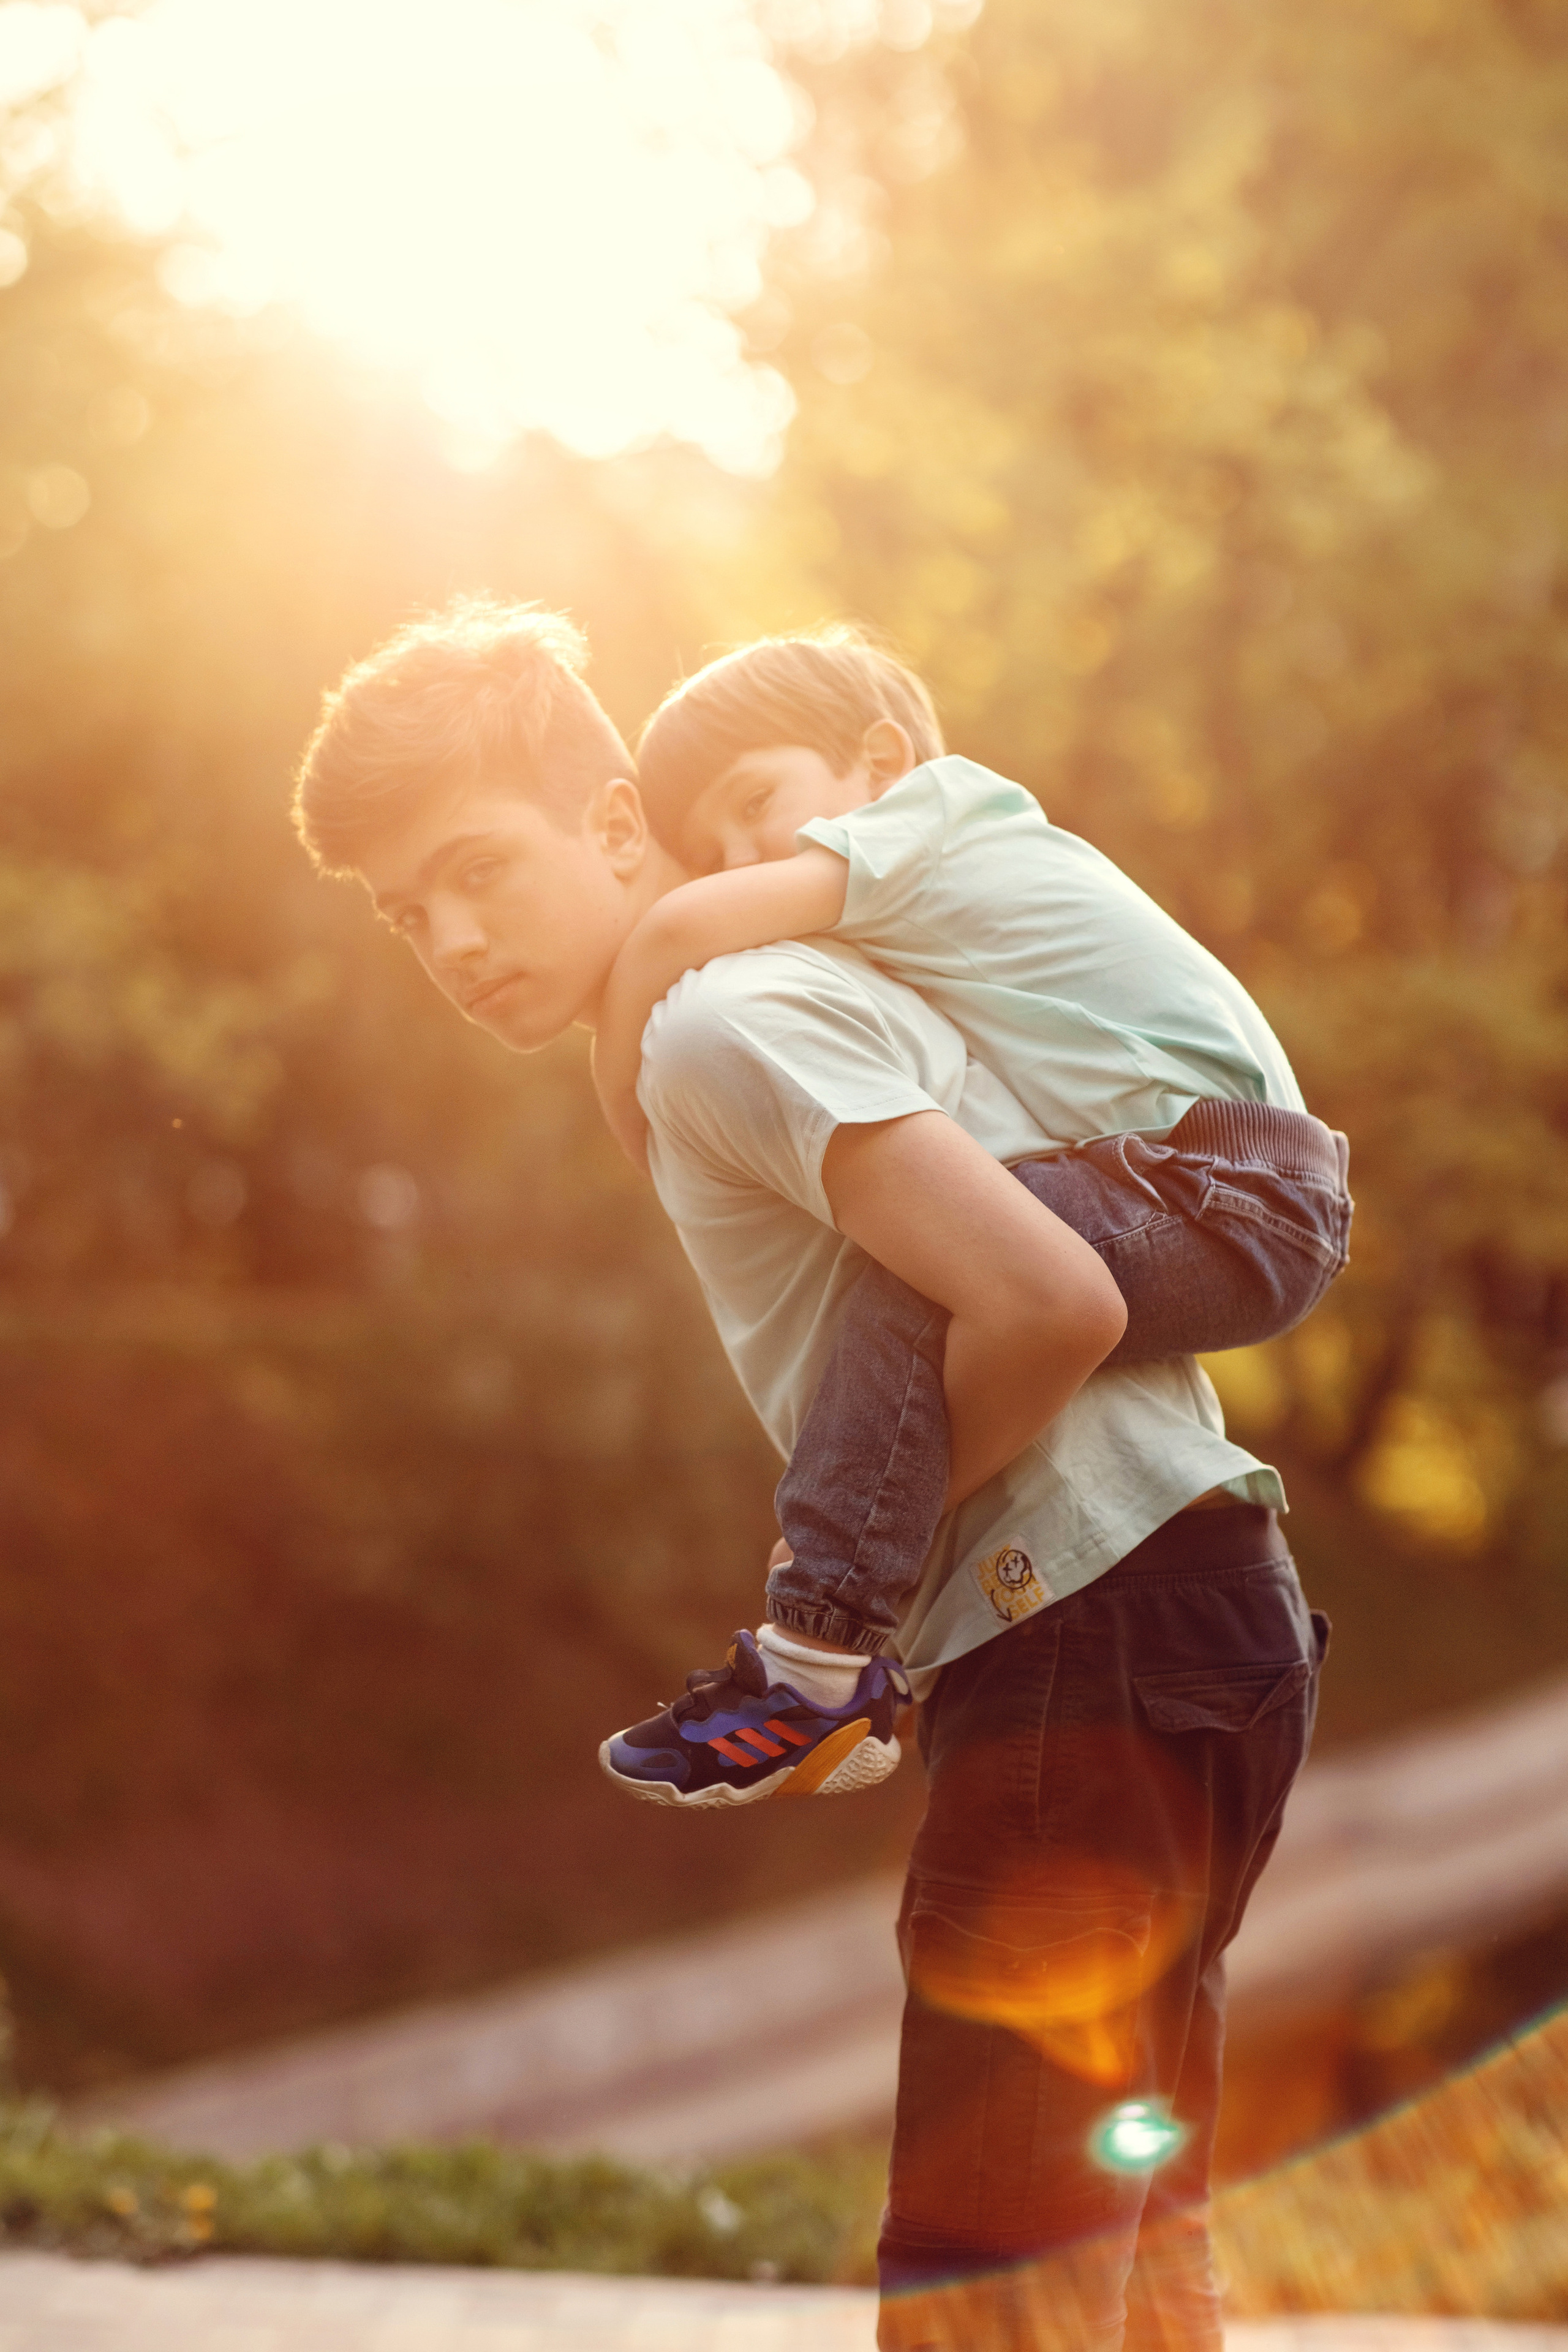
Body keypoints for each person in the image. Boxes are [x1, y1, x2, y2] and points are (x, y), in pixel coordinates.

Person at [293, 597, 1329, 2351]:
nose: (452, 940)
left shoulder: (722, 1025)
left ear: (611, 822)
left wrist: (862, 1591)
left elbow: (1053, 1300)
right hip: (1179, 1624)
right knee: (1134, 2283)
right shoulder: (750, 1001)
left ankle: (811, 1658)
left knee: (986, 2298)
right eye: (409, 914)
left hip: (1090, 1642)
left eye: (478, 871)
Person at [590, 630, 1347, 1812]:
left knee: (930, 1282)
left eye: (754, 803)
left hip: (1229, 1183)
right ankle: (832, 1617)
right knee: (945, 1261)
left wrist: (622, 1093)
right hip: (1222, 1183)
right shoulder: (924, 904)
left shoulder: (929, 820)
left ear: (881, 760)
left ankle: (815, 1662)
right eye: (712, 847)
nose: (738, 859)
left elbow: (674, 933)